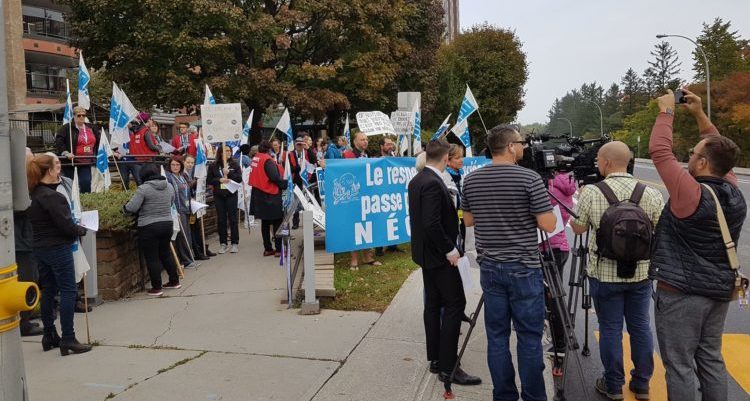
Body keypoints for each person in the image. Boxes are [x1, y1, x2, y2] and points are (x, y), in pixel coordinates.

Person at [648, 89, 747, 401]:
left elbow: (660, 152)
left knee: (678, 365)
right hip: (718, 291)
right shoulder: (731, 190)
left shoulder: (691, 194)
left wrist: (666, 113)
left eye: (692, 154)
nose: (688, 157)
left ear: (703, 162)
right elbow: (720, 151)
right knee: (711, 360)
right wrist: (700, 115)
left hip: (681, 294)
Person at [461, 125, 557, 401]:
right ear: (511, 146)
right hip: (524, 268)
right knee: (529, 336)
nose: (525, 146)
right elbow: (548, 224)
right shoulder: (529, 179)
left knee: (497, 336)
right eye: (521, 142)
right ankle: (534, 396)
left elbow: (468, 220)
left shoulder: (472, 180)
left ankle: (503, 395)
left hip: (490, 267)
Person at [570, 141, 664, 400]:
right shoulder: (651, 193)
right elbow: (661, 231)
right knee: (641, 327)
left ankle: (613, 385)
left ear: (607, 162)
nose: (597, 163)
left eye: (599, 159)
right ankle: (642, 383)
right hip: (641, 274)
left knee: (610, 327)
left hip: (604, 274)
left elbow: (577, 229)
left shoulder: (592, 191)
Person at [408, 139, 481, 386]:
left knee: (434, 305)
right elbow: (430, 222)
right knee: (454, 305)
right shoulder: (431, 182)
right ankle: (449, 366)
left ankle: (437, 359)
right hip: (439, 256)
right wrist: (449, 249)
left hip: (427, 255)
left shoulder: (418, 179)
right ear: (445, 157)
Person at [27, 153, 92, 355]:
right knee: (68, 291)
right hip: (58, 247)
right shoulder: (54, 198)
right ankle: (68, 338)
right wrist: (82, 229)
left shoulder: (35, 193)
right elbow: (66, 227)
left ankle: (49, 334)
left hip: (41, 248)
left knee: (48, 290)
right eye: (56, 166)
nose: (59, 169)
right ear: (48, 170)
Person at [124, 164, 181, 295]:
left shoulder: (143, 189)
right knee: (166, 253)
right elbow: (171, 202)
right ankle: (174, 281)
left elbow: (132, 207)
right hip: (167, 223)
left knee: (152, 257)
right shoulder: (169, 186)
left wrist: (124, 208)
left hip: (148, 226)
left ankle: (157, 287)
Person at [542, 170, 576, 357]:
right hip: (560, 245)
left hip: (545, 246)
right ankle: (560, 336)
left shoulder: (548, 184)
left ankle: (560, 343)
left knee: (552, 295)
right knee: (555, 293)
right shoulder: (566, 183)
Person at [342, 131, 381, 269]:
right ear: (355, 142)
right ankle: (354, 260)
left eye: (366, 139)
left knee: (367, 226)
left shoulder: (367, 155)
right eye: (362, 139)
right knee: (355, 227)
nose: (365, 141)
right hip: (354, 198)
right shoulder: (347, 155)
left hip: (367, 197)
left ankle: (367, 256)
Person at [249, 140, 288, 256]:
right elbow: (274, 177)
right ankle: (279, 249)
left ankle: (268, 248)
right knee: (277, 221)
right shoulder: (267, 160)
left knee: (265, 222)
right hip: (269, 194)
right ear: (269, 149)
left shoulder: (256, 158)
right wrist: (285, 184)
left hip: (258, 193)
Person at [55, 106, 101, 193]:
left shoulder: (91, 127)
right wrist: (65, 153)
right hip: (70, 160)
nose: (81, 117)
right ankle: (71, 202)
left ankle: (85, 201)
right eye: (79, 115)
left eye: (83, 115)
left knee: (86, 183)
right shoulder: (67, 127)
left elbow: (100, 140)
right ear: (74, 116)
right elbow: (59, 140)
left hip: (85, 160)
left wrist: (107, 151)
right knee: (70, 184)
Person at [208, 144, 242, 253]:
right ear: (220, 152)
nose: (228, 152)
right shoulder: (213, 165)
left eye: (229, 150)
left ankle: (234, 243)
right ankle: (223, 243)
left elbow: (239, 179)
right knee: (221, 219)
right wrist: (219, 180)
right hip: (219, 195)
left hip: (231, 194)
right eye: (225, 151)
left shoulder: (235, 164)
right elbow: (209, 180)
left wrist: (230, 173)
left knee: (233, 219)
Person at [166, 156, 198, 268]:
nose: (175, 167)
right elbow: (169, 195)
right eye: (173, 165)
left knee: (187, 234)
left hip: (186, 208)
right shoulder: (169, 178)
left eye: (177, 165)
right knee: (182, 236)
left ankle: (189, 258)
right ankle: (186, 260)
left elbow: (187, 190)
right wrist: (173, 210)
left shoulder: (182, 176)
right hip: (177, 210)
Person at [184, 155, 213, 260]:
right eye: (188, 162)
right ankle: (197, 252)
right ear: (184, 162)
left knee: (197, 228)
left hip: (194, 203)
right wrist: (197, 180)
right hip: (189, 205)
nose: (190, 164)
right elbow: (187, 187)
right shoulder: (183, 174)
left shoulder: (190, 173)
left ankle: (203, 249)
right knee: (193, 229)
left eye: (192, 163)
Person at [288, 136, 318, 229]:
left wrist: (308, 148)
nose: (300, 146)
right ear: (295, 145)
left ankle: (312, 221)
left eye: (301, 144)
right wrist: (300, 167)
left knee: (308, 202)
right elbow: (289, 169)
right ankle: (295, 222)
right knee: (296, 202)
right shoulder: (290, 154)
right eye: (298, 144)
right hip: (296, 180)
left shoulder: (307, 152)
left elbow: (314, 161)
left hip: (306, 181)